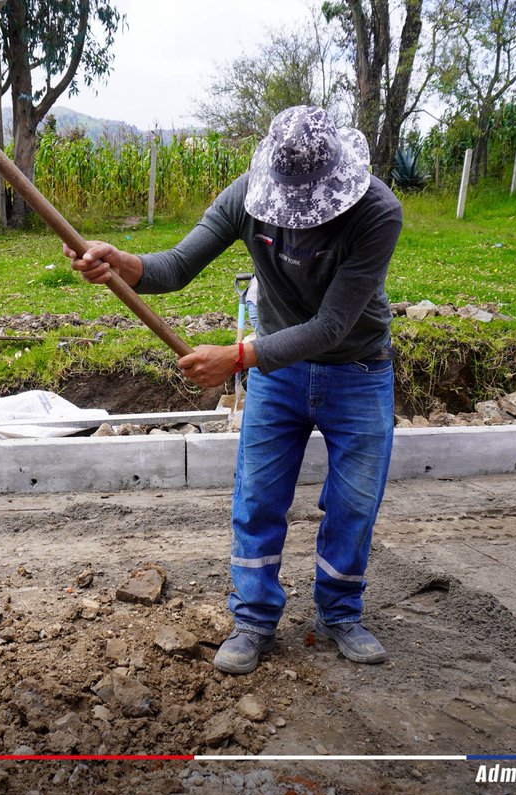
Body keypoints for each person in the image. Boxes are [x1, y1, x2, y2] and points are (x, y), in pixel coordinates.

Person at [65, 106, 402, 674]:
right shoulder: (248, 195)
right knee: (257, 498)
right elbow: (175, 267)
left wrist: (238, 356)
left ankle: (340, 613)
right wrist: (121, 263)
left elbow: (331, 326)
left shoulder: (376, 211)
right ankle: (254, 620)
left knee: (354, 503)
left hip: (358, 370)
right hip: (278, 374)